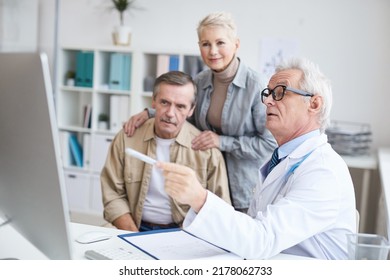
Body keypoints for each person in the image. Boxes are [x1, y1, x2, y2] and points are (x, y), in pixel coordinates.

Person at [157, 58, 357, 259]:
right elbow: (253, 230)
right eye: (268, 93)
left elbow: (262, 240)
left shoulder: (323, 171)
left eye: (280, 92)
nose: (268, 101)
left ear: (313, 103)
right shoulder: (280, 159)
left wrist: (199, 198)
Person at [123, 12, 277, 212]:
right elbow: (185, 113)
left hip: (243, 192)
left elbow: (269, 143)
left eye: (220, 42)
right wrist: (149, 113)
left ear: (236, 44)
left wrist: (221, 142)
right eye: (206, 44)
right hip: (206, 186)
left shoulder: (257, 86)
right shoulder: (200, 81)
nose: (213, 51)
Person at [101, 71, 231, 232]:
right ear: (153, 102)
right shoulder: (126, 138)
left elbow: (220, 208)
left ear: (191, 110)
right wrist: (133, 236)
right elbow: (112, 193)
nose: (170, 113)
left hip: (184, 233)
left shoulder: (207, 151)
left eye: (180, 106)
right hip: (133, 227)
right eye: (164, 102)